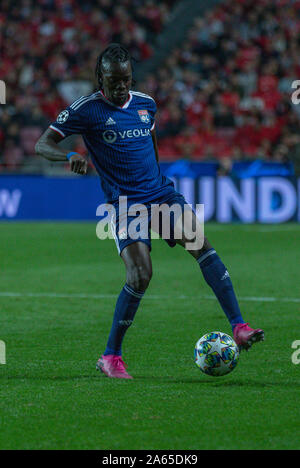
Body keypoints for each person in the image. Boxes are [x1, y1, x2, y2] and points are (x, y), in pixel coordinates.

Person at [35, 43, 264, 379]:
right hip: (126, 204)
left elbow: (150, 148)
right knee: (140, 274)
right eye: (113, 80)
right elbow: (43, 144)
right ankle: (111, 356)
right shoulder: (86, 109)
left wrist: (159, 188)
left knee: (201, 244)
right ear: (101, 77)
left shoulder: (146, 105)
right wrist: (69, 157)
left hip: (160, 194)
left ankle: (240, 327)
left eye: (125, 79)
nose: (120, 86)